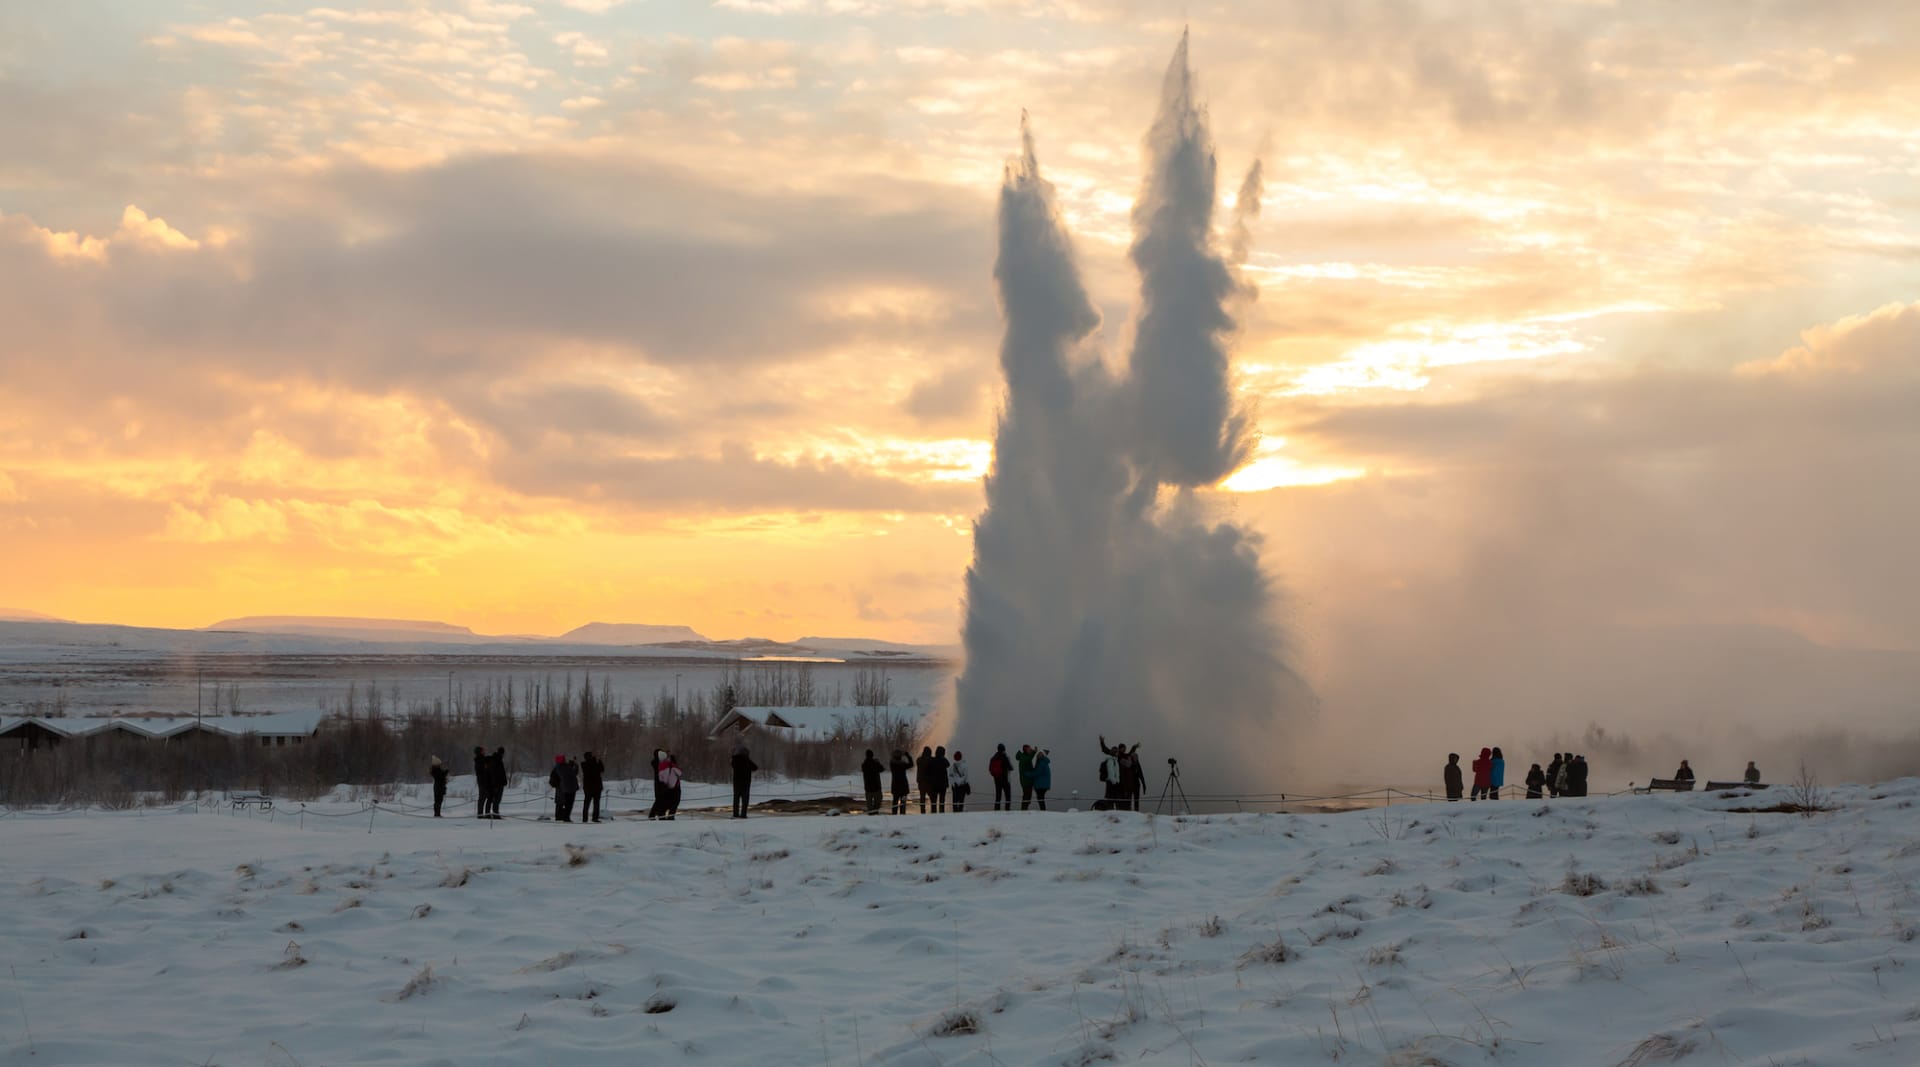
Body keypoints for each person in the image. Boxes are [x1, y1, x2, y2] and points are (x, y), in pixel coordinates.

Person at [730, 742, 757, 819]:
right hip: (746, 782)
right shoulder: (747, 760)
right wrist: (747, 760)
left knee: (736, 799)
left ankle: (735, 814)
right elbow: (755, 768)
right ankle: (743, 814)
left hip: (736, 782)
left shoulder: (734, 760)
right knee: (745, 799)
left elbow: (732, 764)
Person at [550, 754, 579, 823]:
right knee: (565, 803)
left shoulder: (557, 768)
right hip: (562, 787)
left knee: (559, 803)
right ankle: (563, 817)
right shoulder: (563, 767)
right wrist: (574, 765)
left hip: (560, 787)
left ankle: (559, 816)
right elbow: (573, 772)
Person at [580, 750, 605, 823]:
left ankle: (584, 818)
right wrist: (599, 761)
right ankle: (595, 818)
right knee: (596, 804)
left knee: (586, 803)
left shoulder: (584, 765)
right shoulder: (595, 764)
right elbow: (602, 769)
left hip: (588, 787)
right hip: (597, 787)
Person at [657, 752, 683, 820]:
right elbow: (680, 773)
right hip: (675, 788)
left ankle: (662, 817)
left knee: (665, 805)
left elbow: (660, 779)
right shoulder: (672, 766)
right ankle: (671, 817)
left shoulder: (660, 767)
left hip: (666, 788)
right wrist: (674, 764)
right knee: (675, 804)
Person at [988, 744, 1013, 810]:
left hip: (997, 780)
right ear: (1003, 749)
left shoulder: (993, 758)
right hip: (1005, 780)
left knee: (998, 796)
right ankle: (1007, 810)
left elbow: (990, 769)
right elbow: (1010, 768)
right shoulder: (1004, 757)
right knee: (1008, 796)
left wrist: (996, 775)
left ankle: (997, 810)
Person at [889, 748, 913, 815]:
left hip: (895, 787)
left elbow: (892, 759)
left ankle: (894, 815)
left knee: (895, 803)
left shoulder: (892, 764)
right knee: (903, 804)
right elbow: (911, 764)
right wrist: (907, 755)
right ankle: (902, 815)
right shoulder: (903, 764)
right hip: (904, 788)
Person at [861, 748, 885, 814]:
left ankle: (871, 813)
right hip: (876, 786)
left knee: (869, 804)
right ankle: (875, 812)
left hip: (868, 787)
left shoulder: (864, 764)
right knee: (878, 801)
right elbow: (882, 769)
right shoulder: (875, 764)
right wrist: (878, 762)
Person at [486, 747, 507, 818]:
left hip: (498, 783)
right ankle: (496, 814)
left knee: (497, 799)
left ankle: (496, 813)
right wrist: (495, 784)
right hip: (498, 784)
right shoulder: (497, 760)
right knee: (497, 799)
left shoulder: (497, 759)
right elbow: (496, 773)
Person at [648, 748, 669, 820]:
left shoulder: (658, 763)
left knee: (661, 800)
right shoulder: (657, 764)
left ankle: (659, 814)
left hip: (660, 784)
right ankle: (654, 814)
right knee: (659, 800)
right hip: (660, 784)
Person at [930, 745, 951, 813]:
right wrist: (943, 757)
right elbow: (948, 764)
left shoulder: (932, 760)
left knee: (934, 800)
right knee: (942, 800)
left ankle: (933, 812)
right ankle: (941, 812)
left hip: (934, 784)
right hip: (942, 784)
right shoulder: (943, 760)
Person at [1015, 744, 1037, 810]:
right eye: (1029, 749)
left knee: (1027, 797)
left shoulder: (1025, 756)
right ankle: (1023, 810)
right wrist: (1034, 752)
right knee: (1027, 797)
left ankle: (1024, 810)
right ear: (1025, 750)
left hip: (1028, 781)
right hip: (1025, 781)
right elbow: (1028, 759)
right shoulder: (1023, 757)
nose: (1030, 750)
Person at [916, 746, 934, 814]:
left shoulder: (919, 760)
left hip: (921, 782)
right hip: (929, 782)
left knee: (922, 798)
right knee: (932, 798)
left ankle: (922, 811)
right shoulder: (931, 760)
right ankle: (933, 811)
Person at [472, 747, 488, 818]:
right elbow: (482, 771)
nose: (484, 751)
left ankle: (481, 814)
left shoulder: (481, 760)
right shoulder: (480, 760)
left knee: (483, 798)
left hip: (482, 780)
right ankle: (480, 814)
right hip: (483, 781)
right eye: (482, 750)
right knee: (482, 798)